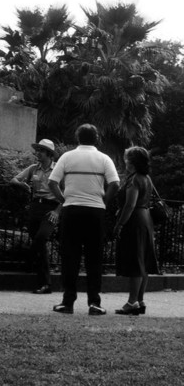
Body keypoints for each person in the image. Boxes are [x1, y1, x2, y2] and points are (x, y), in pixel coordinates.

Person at [48, 124, 120, 315]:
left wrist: (64, 200)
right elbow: (115, 183)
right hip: (95, 211)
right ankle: (94, 303)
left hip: (72, 210)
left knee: (69, 256)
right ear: (96, 138)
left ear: (77, 137)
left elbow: (52, 183)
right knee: (94, 258)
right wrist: (103, 201)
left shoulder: (67, 157)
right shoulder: (104, 159)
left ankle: (68, 302)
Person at [10, 139, 62, 294]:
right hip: (35, 207)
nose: (37, 153)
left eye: (41, 150)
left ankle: (28, 262)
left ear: (49, 154)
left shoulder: (59, 170)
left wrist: (57, 212)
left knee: (41, 238)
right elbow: (13, 179)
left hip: (51, 209)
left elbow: (67, 194)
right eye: (37, 150)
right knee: (40, 245)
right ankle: (45, 283)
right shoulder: (33, 168)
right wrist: (21, 184)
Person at [114, 146, 158, 315]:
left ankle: (132, 302)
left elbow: (130, 204)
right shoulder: (146, 177)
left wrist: (119, 224)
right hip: (146, 219)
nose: (124, 161)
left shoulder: (134, 180)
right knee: (142, 262)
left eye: (126, 158)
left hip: (135, 221)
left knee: (135, 262)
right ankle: (140, 300)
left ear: (131, 162)